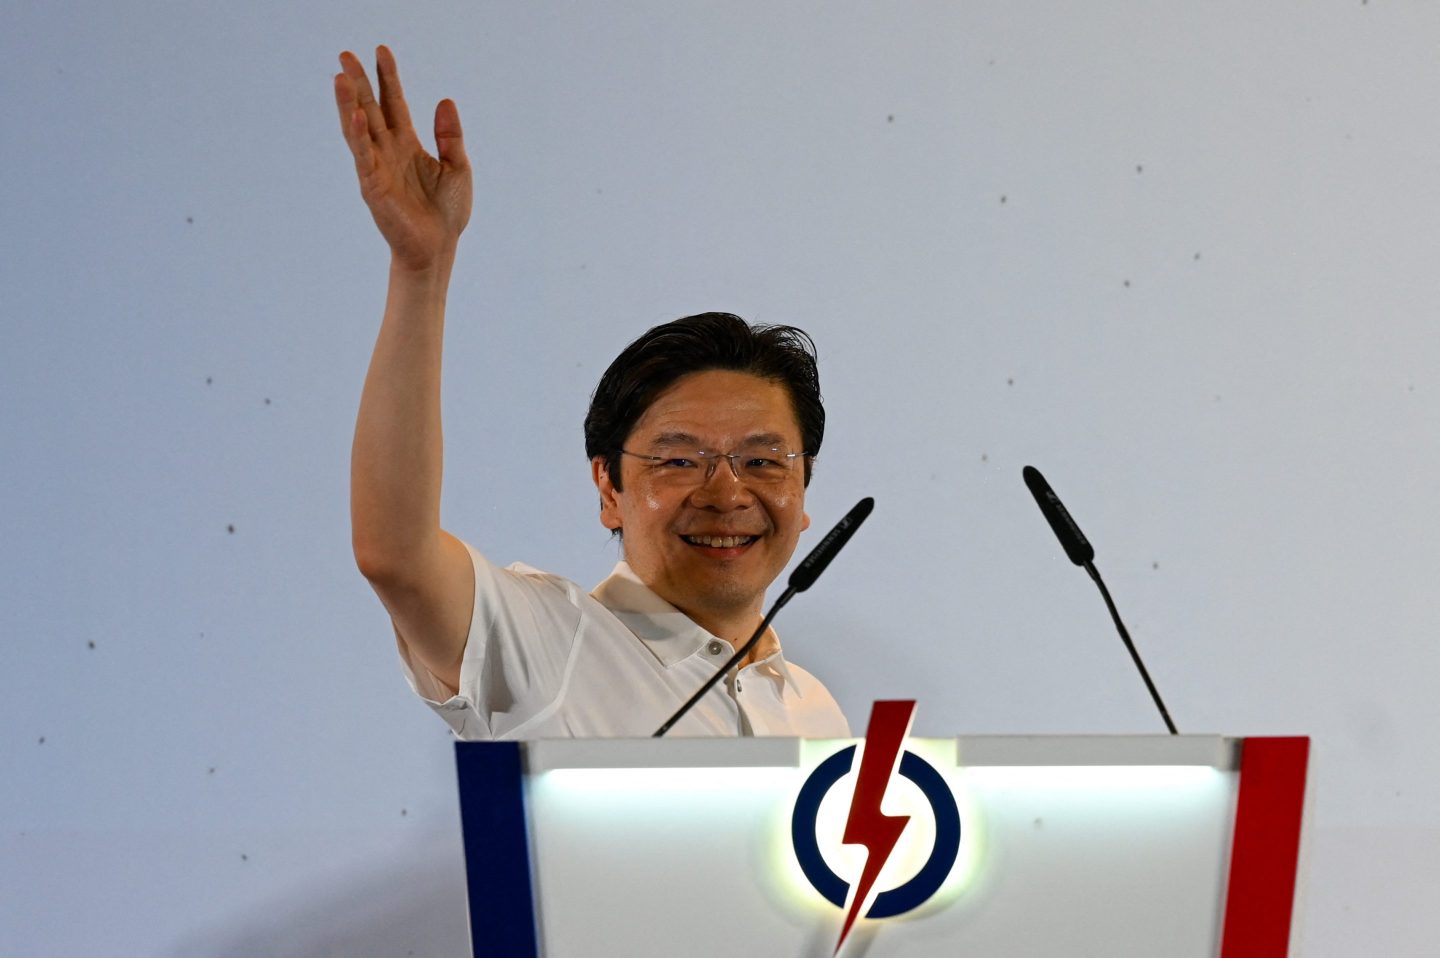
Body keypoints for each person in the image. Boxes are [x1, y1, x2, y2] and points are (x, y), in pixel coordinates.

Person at [335, 46, 849, 739]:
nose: (727, 493)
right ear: (608, 485)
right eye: (680, 459)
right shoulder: (546, 644)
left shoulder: (814, 709)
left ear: (804, 487)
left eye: (762, 461)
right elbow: (396, 556)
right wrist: (421, 269)